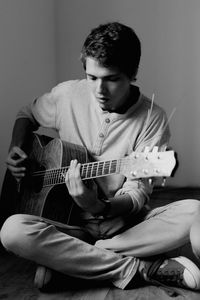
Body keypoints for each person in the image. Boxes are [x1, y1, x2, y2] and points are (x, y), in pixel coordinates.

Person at [1, 22, 200, 293]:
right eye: (91, 77)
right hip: (68, 225)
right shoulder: (67, 94)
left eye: (111, 79)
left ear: (132, 75)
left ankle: (78, 260)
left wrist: (97, 206)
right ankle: (142, 268)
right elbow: (27, 114)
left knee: (194, 211)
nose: (99, 91)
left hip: (122, 228)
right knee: (12, 230)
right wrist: (16, 146)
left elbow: (136, 194)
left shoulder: (153, 118)